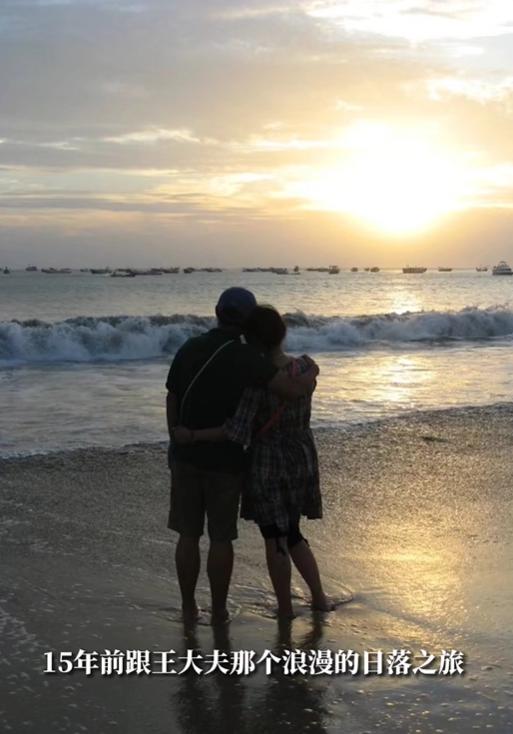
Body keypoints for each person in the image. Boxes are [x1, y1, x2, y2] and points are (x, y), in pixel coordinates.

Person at [166, 288, 318, 623]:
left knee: (188, 536)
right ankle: (220, 611)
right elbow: (293, 389)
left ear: (216, 310)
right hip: (230, 461)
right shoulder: (252, 359)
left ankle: (189, 608)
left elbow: (172, 396)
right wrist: (311, 371)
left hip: (187, 456)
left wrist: (177, 437)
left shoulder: (189, 347)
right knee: (224, 538)